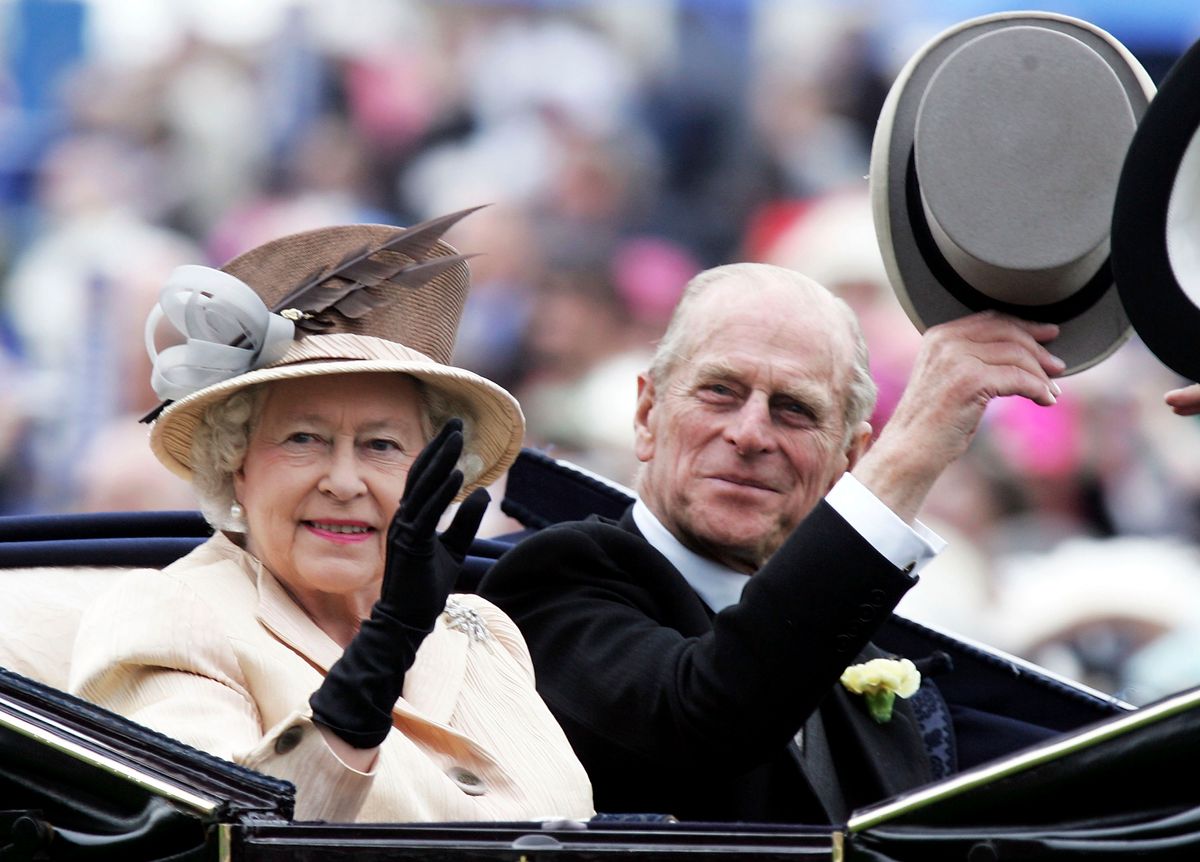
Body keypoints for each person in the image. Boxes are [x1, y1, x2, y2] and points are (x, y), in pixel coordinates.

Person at [478, 262, 1064, 823]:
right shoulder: (550, 582)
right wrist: (915, 447)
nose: (750, 433)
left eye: (794, 409)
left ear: (848, 459)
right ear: (647, 414)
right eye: (720, 391)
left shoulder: (862, 661)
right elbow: (709, 713)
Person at [69, 211, 594, 823]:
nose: (344, 482)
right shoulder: (168, 615)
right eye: (303, 439)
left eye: (381, 446)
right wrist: (385, 647)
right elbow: (221, 839)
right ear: (235, 462)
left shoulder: (482, 630)